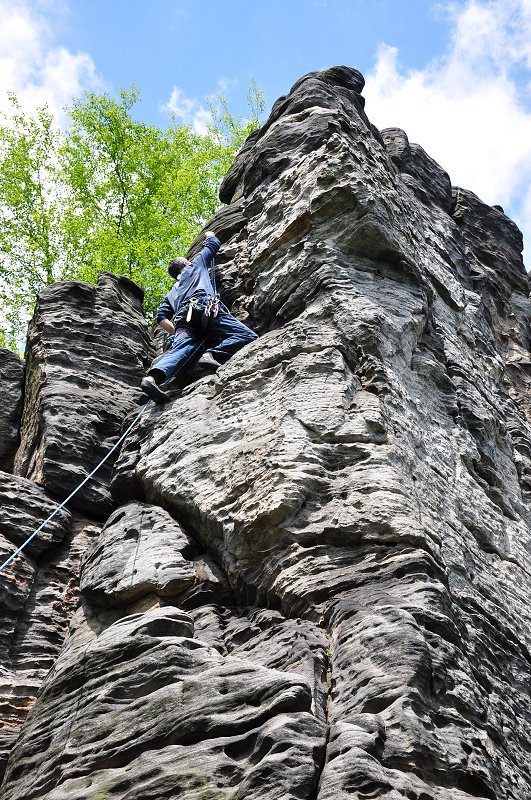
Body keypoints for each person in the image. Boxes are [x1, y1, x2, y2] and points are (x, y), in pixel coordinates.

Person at [140, 230, 258, 403]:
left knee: (182, 350)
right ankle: (212, 355)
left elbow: (161, 316)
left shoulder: (172, 293)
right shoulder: (196, 265)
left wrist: (176, 333)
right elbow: (213, 246)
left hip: (182, 321)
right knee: (246, 335)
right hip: (204, 307)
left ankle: (152, 378)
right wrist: (210, 235)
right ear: (186, 264)